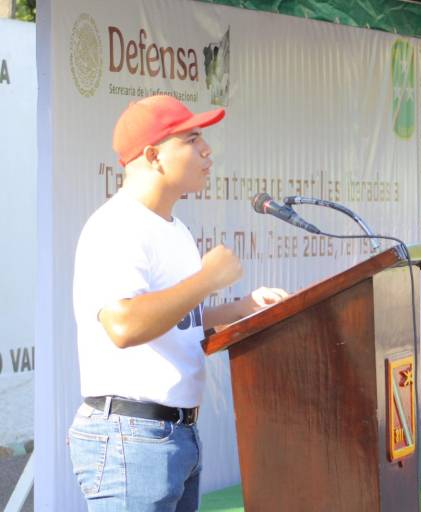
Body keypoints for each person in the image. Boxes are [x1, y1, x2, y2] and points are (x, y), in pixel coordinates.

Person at [69, 95, 288, 511]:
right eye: (191, 139)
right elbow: (124, 326)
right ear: (153, 155)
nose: (207, 150)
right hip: (130, 438)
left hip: (174, 434)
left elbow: (177, 321)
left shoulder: (175, 229)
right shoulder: (117, 227)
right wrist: (206, 280)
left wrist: (240, 309)